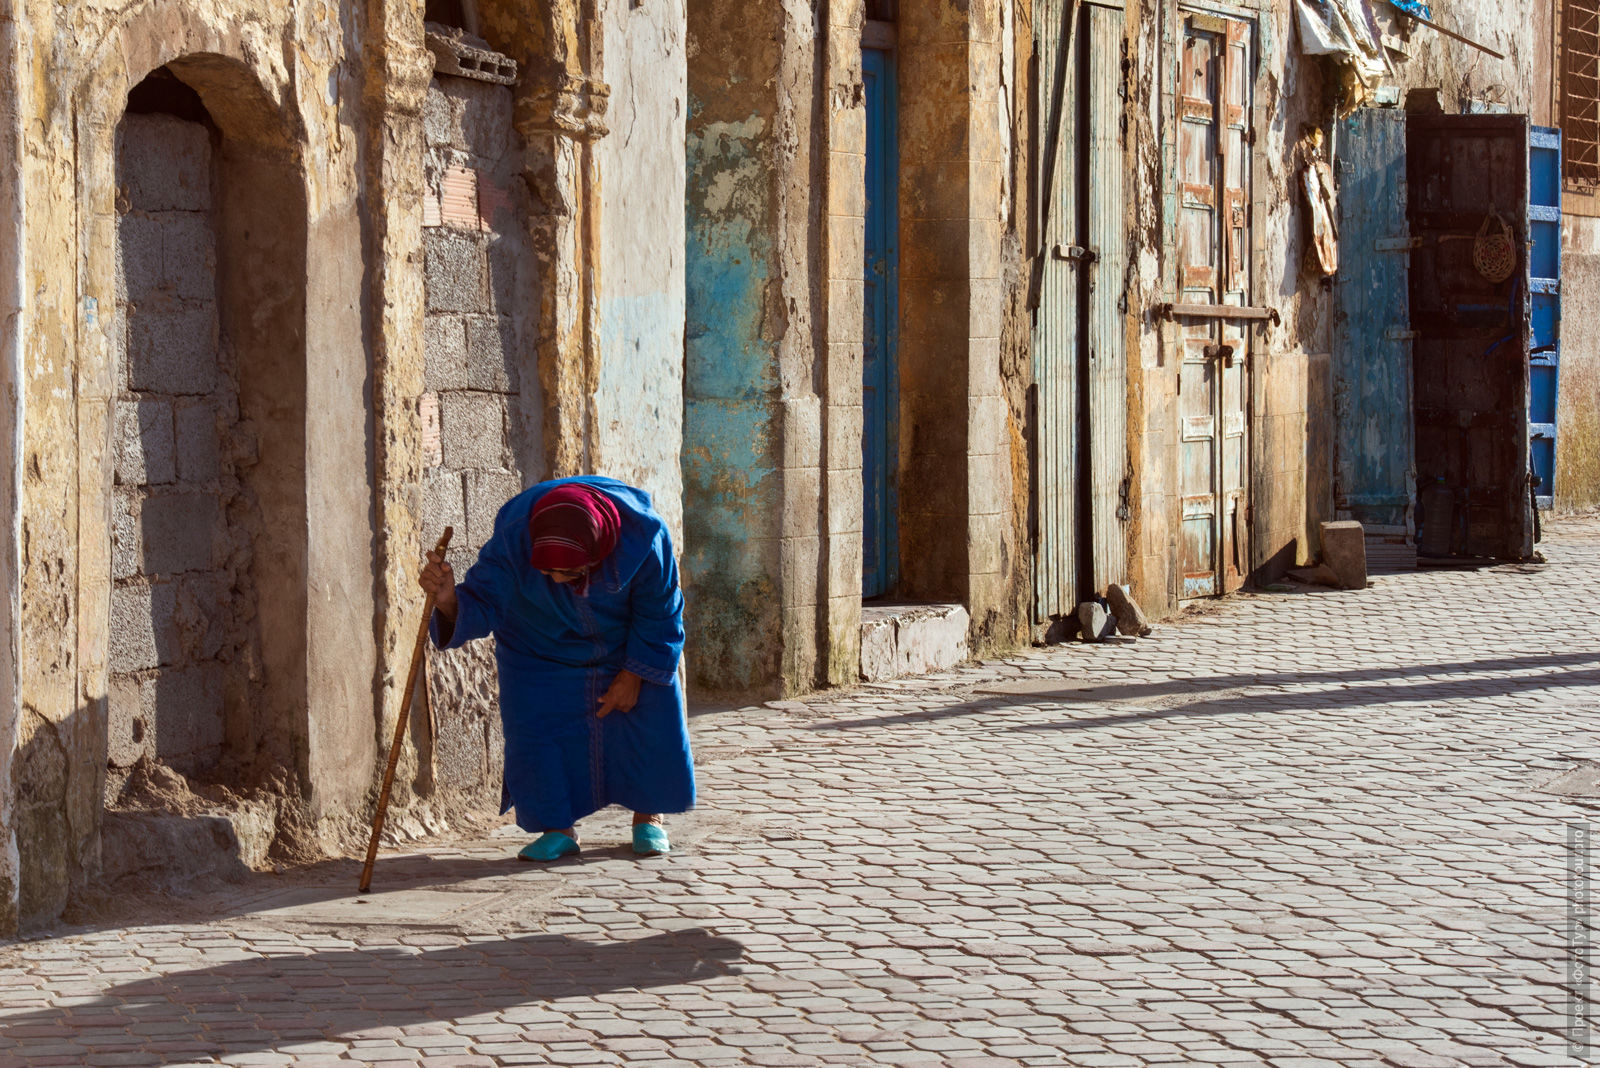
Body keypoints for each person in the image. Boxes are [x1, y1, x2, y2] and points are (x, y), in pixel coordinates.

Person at [418, 475, 695, 861]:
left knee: (648, 710)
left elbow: (661, 611)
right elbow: (483, 598)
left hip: (624, 642)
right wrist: (447, 600)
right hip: (537, 646)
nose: (557, 581)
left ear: (598, 556)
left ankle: (649, 815)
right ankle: (557, 827)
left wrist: (634, 674)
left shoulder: (645, 540)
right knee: (537, 725)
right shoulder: (515, 537)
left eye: (570, 574)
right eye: (547, 574)